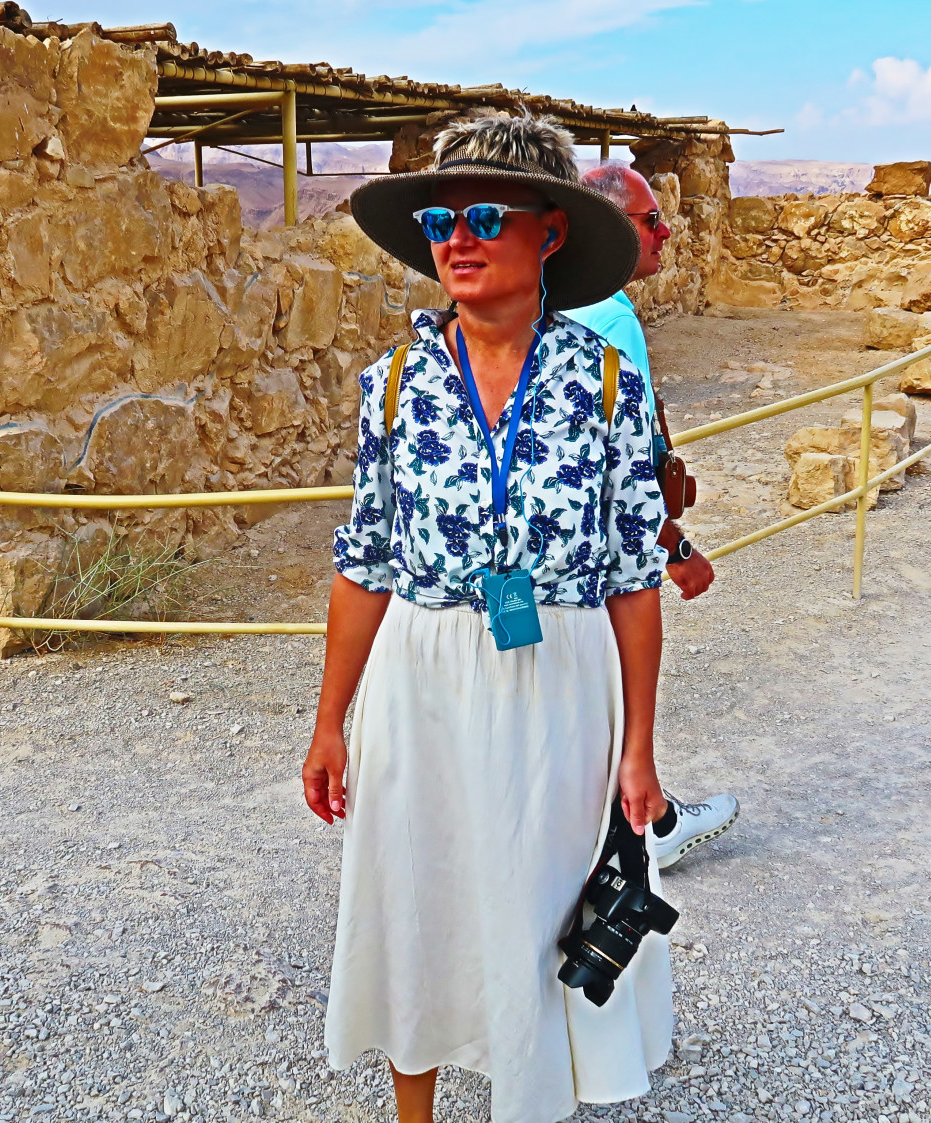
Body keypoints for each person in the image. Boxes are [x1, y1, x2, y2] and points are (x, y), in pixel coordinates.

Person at [304, 112, 674, 1123]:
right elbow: (364, 560)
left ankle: (529, 1101)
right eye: (437, 219)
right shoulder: (390, 388)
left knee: (536, 906)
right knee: (413, 887)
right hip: (420, 674)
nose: (455, 240)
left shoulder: (605, 383)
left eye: (482, 217)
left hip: (562, 671)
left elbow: (634, 575)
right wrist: (329, 719)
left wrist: (638, 746)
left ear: (548, 232)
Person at [567, 162, 740, 871]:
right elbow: (628, 455)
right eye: (649, 221)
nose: (666, 231)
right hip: (611, 542)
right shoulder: (610, 314)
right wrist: (676, 544)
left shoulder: (549, 302)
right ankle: (650, 821)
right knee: (616, 682)